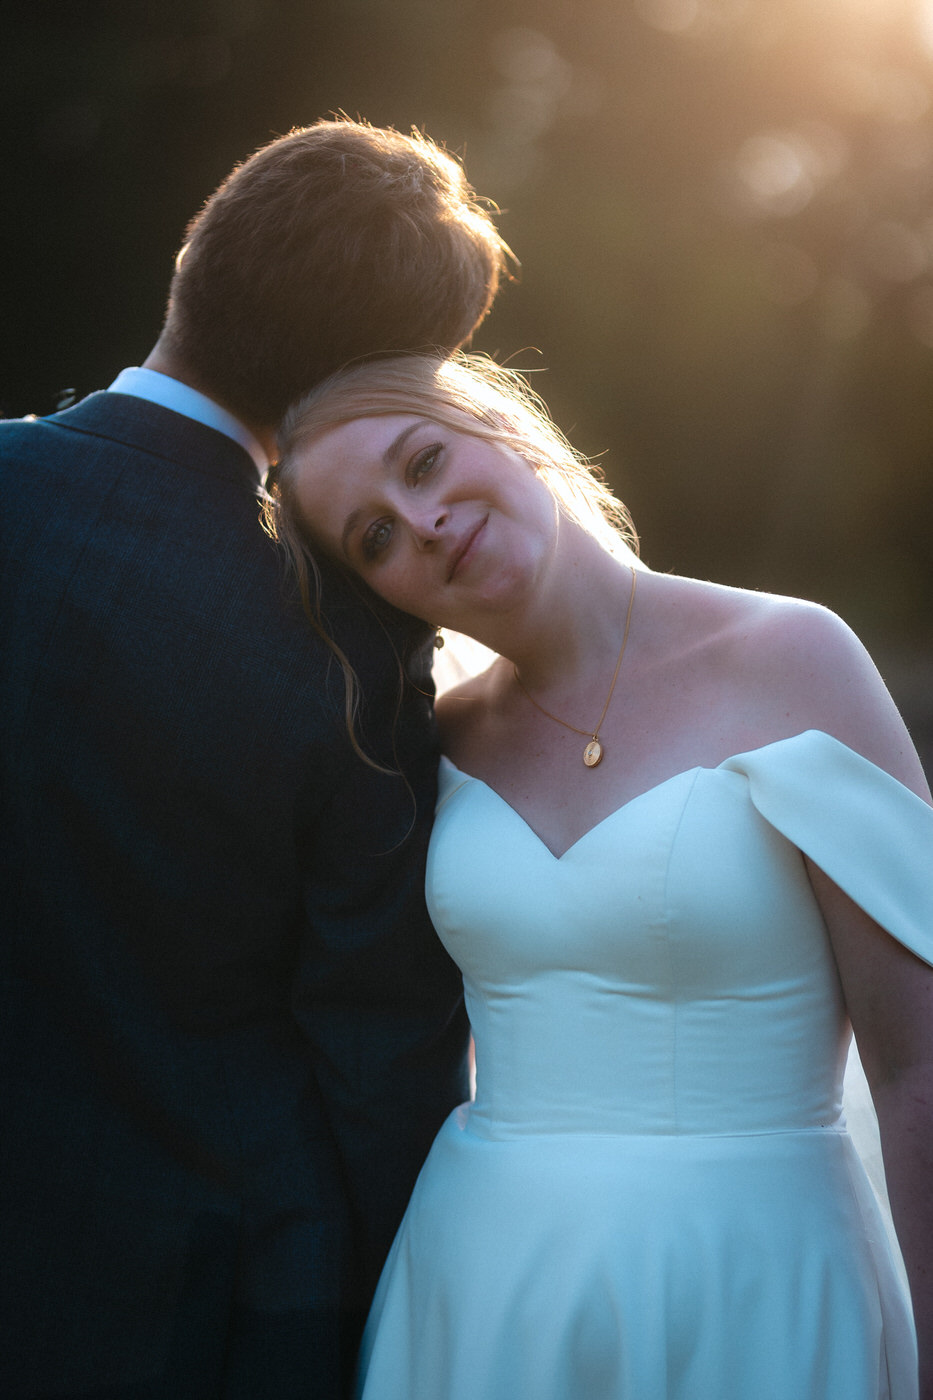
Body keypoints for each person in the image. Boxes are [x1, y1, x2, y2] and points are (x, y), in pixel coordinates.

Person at [265, 351, 933, 1400]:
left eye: (426, 461)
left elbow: (918, 1064)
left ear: (500, 422)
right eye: (377, 535)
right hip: (485, 1292)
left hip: (758, 1282)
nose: (424, 519)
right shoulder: (427, 744)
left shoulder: (794, 655)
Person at [0, 122, 510, 1400]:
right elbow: (377, 1037)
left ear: (196, 251)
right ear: (382, 379)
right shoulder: (346, 631)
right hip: (202, 1293)